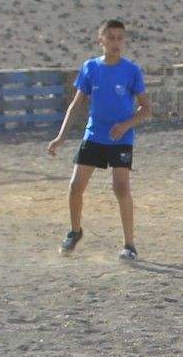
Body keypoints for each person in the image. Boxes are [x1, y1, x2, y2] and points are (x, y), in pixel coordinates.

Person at [47, 18, 151, 257]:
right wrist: (61, 137)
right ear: (100, 40)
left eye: (120, 38)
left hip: (121, 138)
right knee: (75, 186)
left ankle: (129, 244)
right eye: (111, 37)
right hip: (94, 135)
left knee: (121, 188)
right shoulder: (90, 68)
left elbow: (146, 109)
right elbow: (76, 105)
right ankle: (74, 232)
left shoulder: (131, 70)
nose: (116, 42)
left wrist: (125, 125)